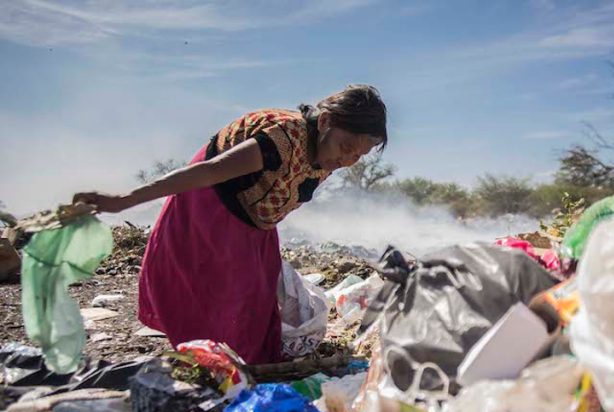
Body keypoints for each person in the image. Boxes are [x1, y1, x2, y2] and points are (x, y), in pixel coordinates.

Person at [74, 84, 387, 364]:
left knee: (255, 303)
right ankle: (207, 357)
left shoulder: (327, 153)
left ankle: (240, 361)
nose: (348, 161)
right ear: (324, 123)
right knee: (213, 293)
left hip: (256, 222)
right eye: (347, 148)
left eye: (359, 156)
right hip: (211, 204)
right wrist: (124, 199)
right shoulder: (280, 140)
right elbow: (210, 171)